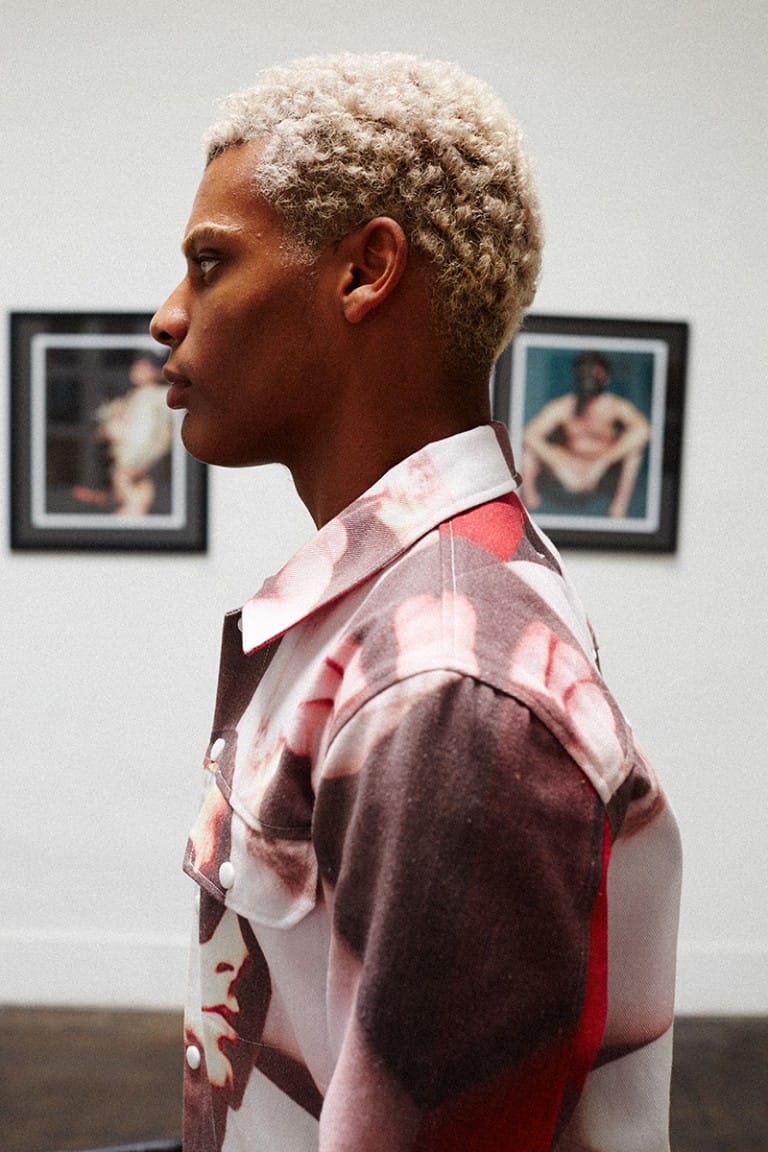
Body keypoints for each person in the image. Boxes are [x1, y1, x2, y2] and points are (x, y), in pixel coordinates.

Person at [150, 52, 681, 1152]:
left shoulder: (441, 683)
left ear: (365, 271)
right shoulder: (408, 613)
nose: (167, 316)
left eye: (210, 263)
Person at [521, 351, 651, 519]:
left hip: (603, 471)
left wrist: (602, 463)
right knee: (529, 450)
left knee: (635, 452)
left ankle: (618, 508)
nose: (589, 377)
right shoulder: (564, 406)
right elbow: (529, 434)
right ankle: (530, 507)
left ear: (605, 377)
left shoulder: (615, 406)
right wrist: (558, 463)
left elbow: (643, 431)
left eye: (595, 372)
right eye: (584, 371)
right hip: (569, 469)